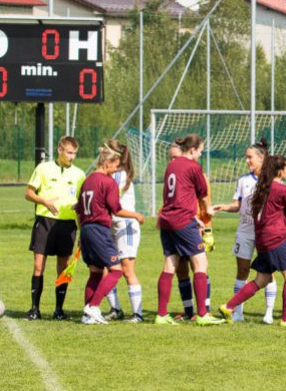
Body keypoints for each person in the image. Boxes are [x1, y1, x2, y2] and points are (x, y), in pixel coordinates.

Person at [219, 155, 286, 327]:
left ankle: (228, 306)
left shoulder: (260, 188)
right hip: (276, 238)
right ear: (280, 170)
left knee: (261, 280)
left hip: (262, 239)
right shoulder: (282, 189)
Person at [154, 134, 223, 326]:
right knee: (201, 263)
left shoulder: (171, 166)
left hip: (167, 219)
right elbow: (203, 195)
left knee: (170, 265)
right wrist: (207, 210)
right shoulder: (193, 167)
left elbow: (174, 197)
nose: (201, 154)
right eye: (200, 150)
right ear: (192, 149)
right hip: (183, 221)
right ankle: (202, 314)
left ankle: (161, 314)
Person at [77, 144, 145, 325]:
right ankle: (93, 306)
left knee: (95, 273)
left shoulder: (87, 179)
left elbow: (78, 209)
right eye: (115, 166)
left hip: (85, 230)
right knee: (116, 270)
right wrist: (136, 215)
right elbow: (117, 210)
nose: (116, 170)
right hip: (99, 230)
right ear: (107, 163)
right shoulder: (107, 182)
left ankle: (87, 316)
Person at [213, 140, 276, 324]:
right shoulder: (243, 180)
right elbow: (238, 206)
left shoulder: (272, 180)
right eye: (246, 157)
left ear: (261, 158)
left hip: (265, 234)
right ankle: (237, 312)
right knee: (242, 271)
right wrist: (223, 207)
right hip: (245, 232)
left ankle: (269, 313)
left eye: (250, 157)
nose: (247, 160)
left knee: (268, 273)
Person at [23, 136, 86, 321]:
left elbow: (81, 205)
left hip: (67, 226)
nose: (72, 157)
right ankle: (34, 309)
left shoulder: (79, 174)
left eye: (74, 153)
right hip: (45, 221)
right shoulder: (43, 168)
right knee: (38, 266)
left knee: (63, 267)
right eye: (69, 152)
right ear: (60, 149)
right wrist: (44, 201)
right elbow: (28, 193)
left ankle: (59, 310)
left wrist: (82, 229)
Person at [102, 140, 144, 322]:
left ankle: (138, 314)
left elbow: (111, 202)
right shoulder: (111, 174)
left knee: (127, 269)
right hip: (113, 225)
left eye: (105, 149)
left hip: (125, 225)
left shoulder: (119, 175)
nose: (102, 151)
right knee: (108, 268)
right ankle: (115, 308)